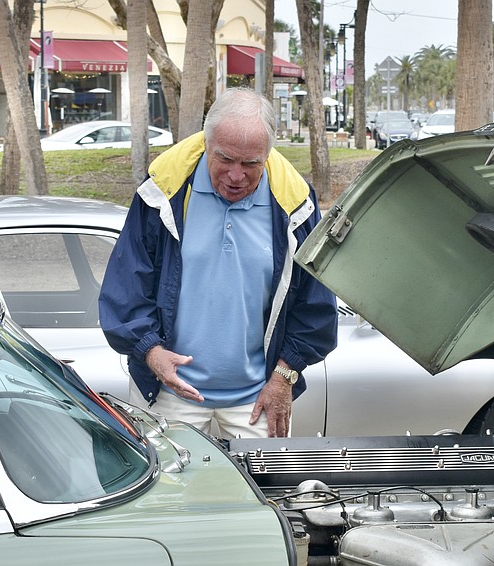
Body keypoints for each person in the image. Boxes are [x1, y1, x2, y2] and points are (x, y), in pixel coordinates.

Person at [99, 87, 338, 439]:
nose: (236, 176)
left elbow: (315, 304)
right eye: (225, 159)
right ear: (205, 144)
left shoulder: (295, 204)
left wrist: (284, 377)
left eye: (251, 164)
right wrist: (150, 352)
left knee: (260, 495)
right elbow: (126, 288)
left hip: (259, 397)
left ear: (268, 155)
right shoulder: (162, 192)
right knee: (165, 495)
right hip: (167, 392)